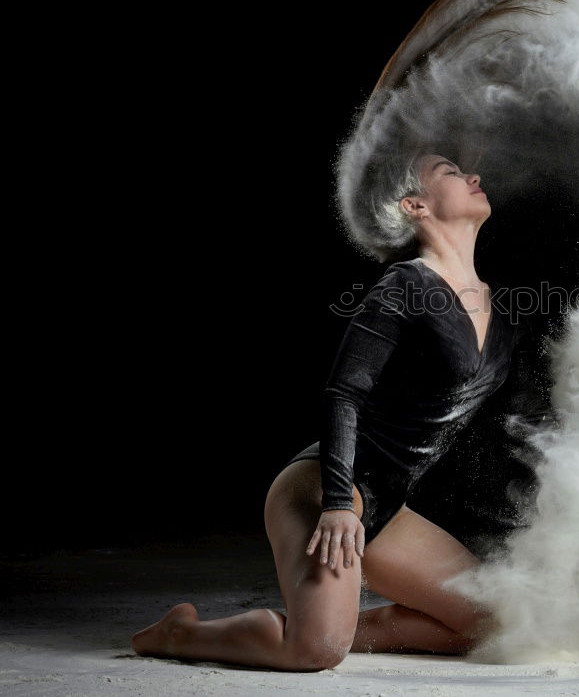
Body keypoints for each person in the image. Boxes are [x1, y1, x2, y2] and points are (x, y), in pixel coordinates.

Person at [130, 150, 552, 671]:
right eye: (450, 173)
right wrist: (336, 503)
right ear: (416, 205)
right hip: (326, 488)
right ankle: (180, 633)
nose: (474, 176)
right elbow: (343, 394)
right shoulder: (404, 287)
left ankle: (338, 625)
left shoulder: (499, 307)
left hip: (387, 505)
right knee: (312, 652)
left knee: (497, 625)